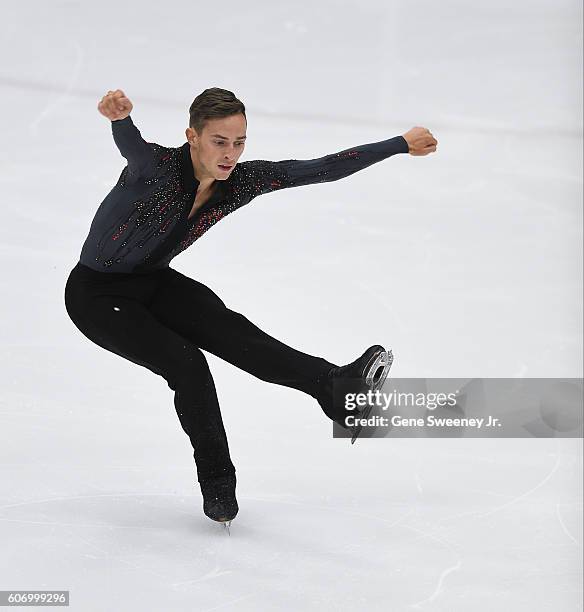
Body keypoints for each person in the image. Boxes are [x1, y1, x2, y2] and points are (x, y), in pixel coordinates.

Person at [64, 87, 437, 525]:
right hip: (96, 295)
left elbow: (319, 170)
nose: (230, 154)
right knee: (187, 365)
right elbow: (132, 145)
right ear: (192, 137)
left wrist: (399, 144)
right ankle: (218, 484)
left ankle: (336, 389)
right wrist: (120, 120)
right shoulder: (156, 168)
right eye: (220, 141)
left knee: (235, 334)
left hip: (152, 281)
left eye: (239, 142)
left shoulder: (240, 181)